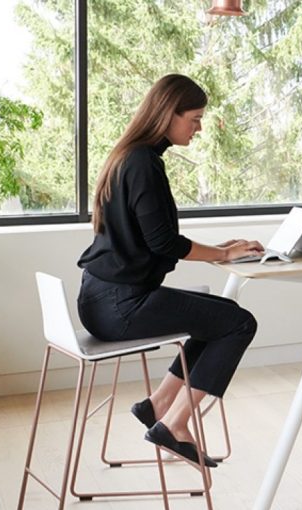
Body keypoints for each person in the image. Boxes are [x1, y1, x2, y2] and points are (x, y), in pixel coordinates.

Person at [77, 74, 263, 467]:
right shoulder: (144, 162)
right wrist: (224, 256)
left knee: (215, 315)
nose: (199, 127)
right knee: (239, 324)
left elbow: (153, 237)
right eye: (194, 118)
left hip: (103, 296)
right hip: (120, 305)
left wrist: (221, 250)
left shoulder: (129, 155)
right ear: (167, 114)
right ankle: (174, 425)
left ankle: (158, 405)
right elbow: (163, 242)